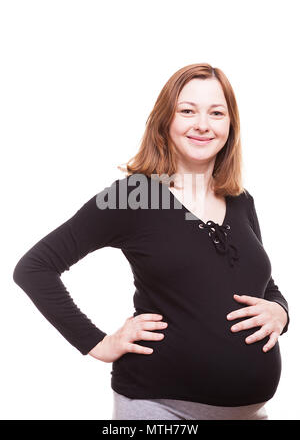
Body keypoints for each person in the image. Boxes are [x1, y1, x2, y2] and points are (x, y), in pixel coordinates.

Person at [13, 63, 289, 420]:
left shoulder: (239, 199)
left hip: (250, 414)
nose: (202, 124)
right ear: (165, 120)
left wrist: (280, 312)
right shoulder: (134, 196)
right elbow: (34, 268)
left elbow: (264, 286)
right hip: (160, 409)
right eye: (187, 111)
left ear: (230, 125)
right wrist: (96, 342)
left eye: (216, 113)